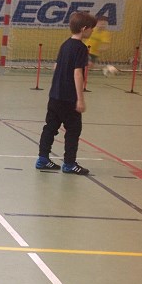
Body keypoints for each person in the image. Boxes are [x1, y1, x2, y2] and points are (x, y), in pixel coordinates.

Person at [35, 11, 97, 175]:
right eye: (91, 28)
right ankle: (69, 163)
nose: (92, 31)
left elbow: (56, 67)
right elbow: (77, 73)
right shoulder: (81, 48)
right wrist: (80, 99)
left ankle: (42, 159)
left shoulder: (65, 44)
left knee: (50, 127)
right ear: (84, 29)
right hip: (69, 98)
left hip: (55, 95)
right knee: (73, 130)